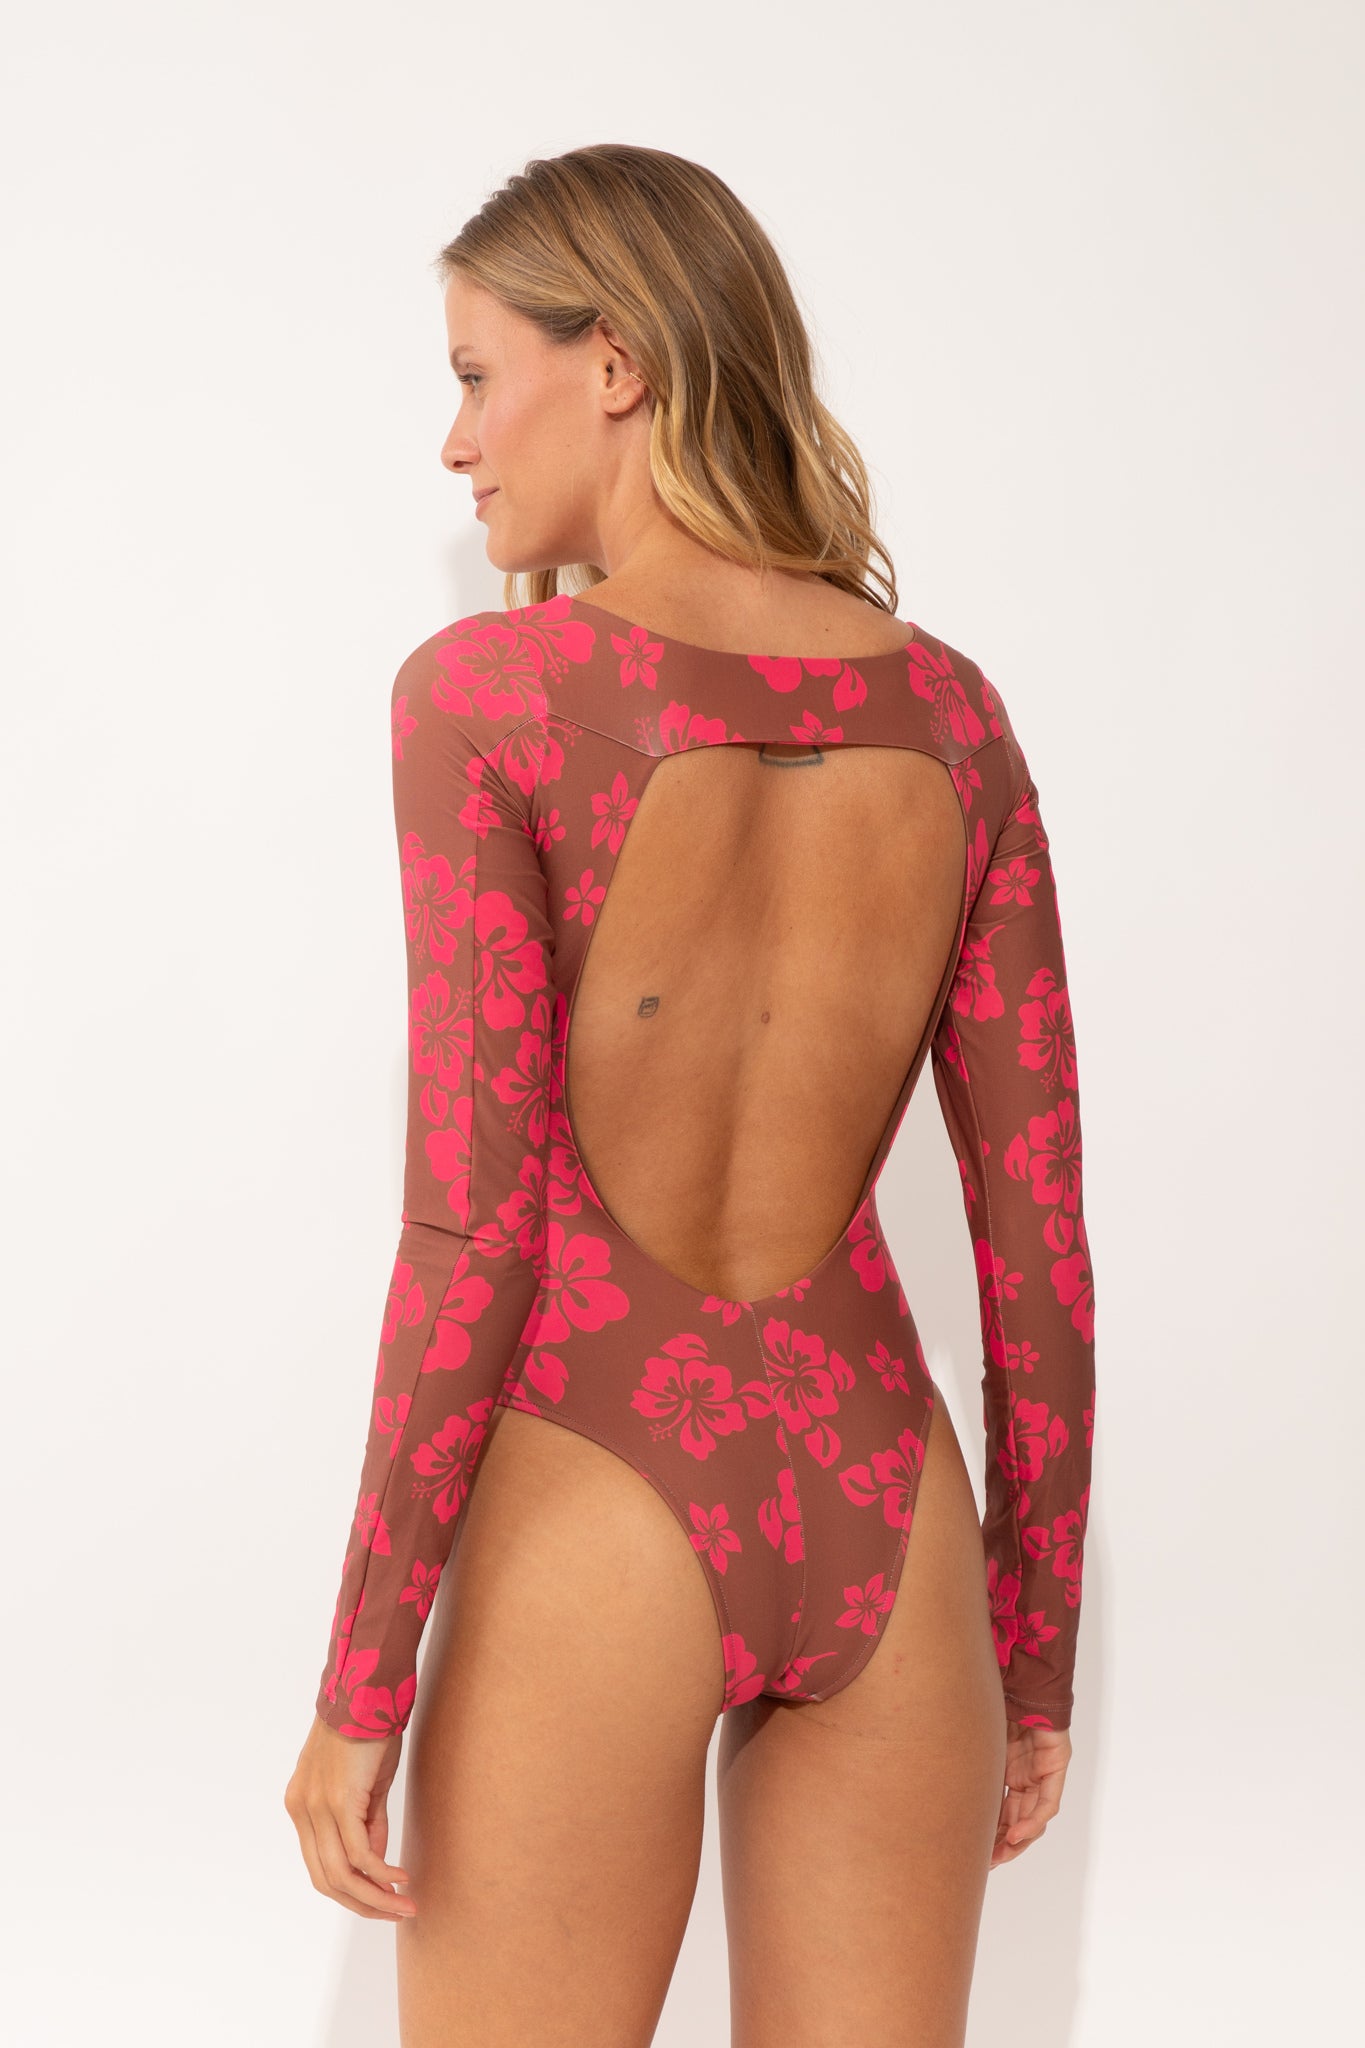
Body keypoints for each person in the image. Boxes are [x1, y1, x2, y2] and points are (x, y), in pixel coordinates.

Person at [284, 142, 1096, 2047]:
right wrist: (1032, 1653)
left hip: (600, 1502)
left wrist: (361, 1683)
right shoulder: (954, 716)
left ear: (618, 362)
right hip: (889, 1521)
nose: (454, 443)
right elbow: (1037, 1244)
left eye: (476, 376)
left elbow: (472, 1232)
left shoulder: (490, 696)